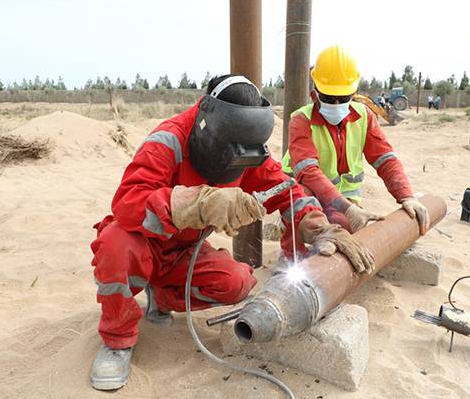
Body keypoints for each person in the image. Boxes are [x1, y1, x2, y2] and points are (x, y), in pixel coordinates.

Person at [88, 74, 375, 391]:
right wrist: (195, 203)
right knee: (117, 244)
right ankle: (116, 341)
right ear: (206, 125)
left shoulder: (249, 148)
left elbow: (287, 191)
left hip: (184, 252)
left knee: (237, 283)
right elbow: (127, 203)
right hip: (144, 243)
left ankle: (164, 296)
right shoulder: (168, 140)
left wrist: (321, 227)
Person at [282, 45, 429, 236]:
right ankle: (290, 256)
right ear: (315, 91)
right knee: (305, 218)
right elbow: (308, 172)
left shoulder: (364, 116)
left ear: (353, 93)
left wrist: (406, 196)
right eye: (328, 97)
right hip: (302, 190)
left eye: (342, 98)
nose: (335, 104)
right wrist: (347, 208)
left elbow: (385, 159)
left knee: (342, 226)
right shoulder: (301, 120)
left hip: (343, 196)